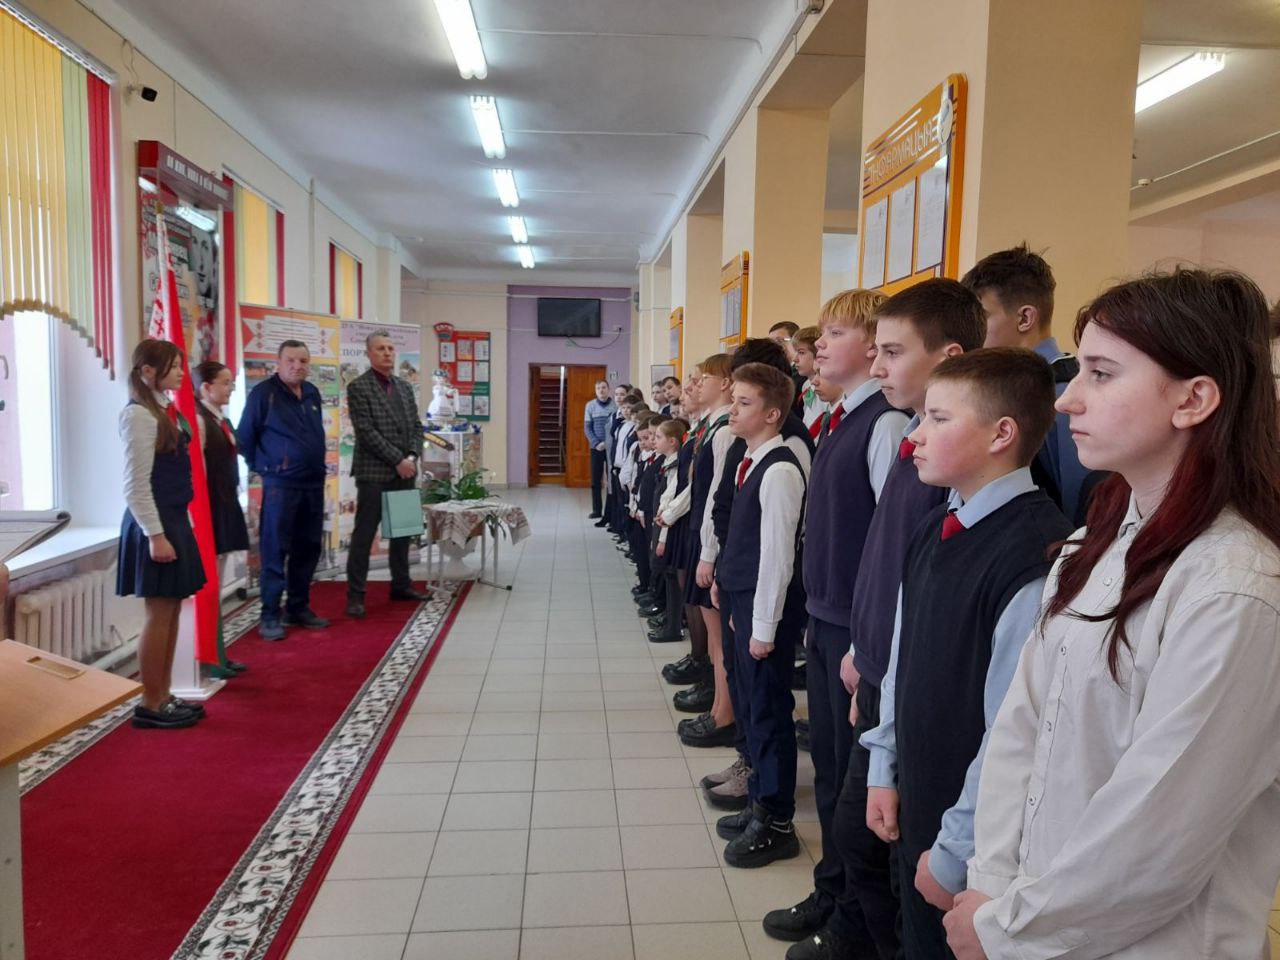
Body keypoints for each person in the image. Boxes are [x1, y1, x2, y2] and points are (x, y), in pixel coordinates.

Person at [942, 269, 1280, 960]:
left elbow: (1157, 837)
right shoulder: (1094, 543)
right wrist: (992, 885)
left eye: (1101, 373)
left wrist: (1008, 929)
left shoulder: (1235, 589)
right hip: (1033, 917)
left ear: (1193, 399)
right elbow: (1021, 728)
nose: (1068, 399)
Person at [775, 278, 986, 960]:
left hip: (878, 649)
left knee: (869, 820)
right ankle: (838, 905)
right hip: (855, 634)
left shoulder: (894, 426)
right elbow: (882, 550)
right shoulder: (887, 424)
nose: (873, 361)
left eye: (888, 350)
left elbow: (899, 560)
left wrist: (870, 649)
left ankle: (852, 927)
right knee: (842, 789)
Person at [862, 349, 1071, 959]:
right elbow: (903, 657)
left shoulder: (1034, 558)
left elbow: (1011, 731)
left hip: (971, 837)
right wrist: (883, 764)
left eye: (938, 419)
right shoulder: (935, 526)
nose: (914, 438)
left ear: (1001, 434)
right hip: (918, 796)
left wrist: (955, 850)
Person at [798, 289, 909, 947]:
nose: (819, 344)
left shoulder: (885, 424)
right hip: (826, 613)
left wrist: (863, 637)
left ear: (871, 348)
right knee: (830, 761)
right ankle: (829, 886)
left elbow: (886, 540)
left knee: (847, 771)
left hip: (852, 624)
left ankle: (848, 911)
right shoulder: (842, 417)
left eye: (834, 332)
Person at [712, 362, 807, 868]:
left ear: (772, 414)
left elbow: (777, 557)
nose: (733, 409)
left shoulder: (781, 470)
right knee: (750, 705)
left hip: (765, 608)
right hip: (744, 600)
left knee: (769, 711)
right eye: (734, 400)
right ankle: (757, 801)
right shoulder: (751, 461)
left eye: (744, 402)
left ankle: (776, 819)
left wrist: (764, 627)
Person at [961, 243, 1095, 525]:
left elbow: (1081, 507)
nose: (971, 330)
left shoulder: (1062, 396)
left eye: (981, 317)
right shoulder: (999, 389)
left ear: (1025, 318)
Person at [117, 339, 208, 729]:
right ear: (148, 371)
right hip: (154, 523)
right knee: (158, 614)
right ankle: (151, 702)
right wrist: (155, 535)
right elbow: (135, 486)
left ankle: (165, 694)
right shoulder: (138, 415)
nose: (181, 373)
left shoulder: (164, 409)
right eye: (174, 367)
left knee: (171, 611)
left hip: (173, 518)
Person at [237, 339, 329, 640]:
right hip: (281, 486)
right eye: (290, 360)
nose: (297, 366)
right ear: (278, 363)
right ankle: (269, 615)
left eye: (303, 361)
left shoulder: (312, 392)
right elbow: (244, 439)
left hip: (313, 483)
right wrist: (266, 467)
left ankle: (297, 608)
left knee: (308, 547)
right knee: (275, 550)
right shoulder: (264, 394)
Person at [344, 331, 428, 619]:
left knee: (402, 532)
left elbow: (416, 427)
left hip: (405, 471)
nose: (387, 353)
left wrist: (412, 457)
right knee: (364, 535)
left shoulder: (404, 387)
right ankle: (356, 596)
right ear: (368, 354)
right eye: (380, 348)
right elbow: (366, 432)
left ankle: (401, 585)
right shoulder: (359, 387)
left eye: (391, 348)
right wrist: (397, 460)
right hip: (374, 474)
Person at [193, 360, 249, 678]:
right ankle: (209, 656)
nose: (230, 388)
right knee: (209, 582)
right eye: (225, 383)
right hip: (211, 507)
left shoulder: (220, 418)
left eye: (231, 383)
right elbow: (198, 472)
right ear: (206, 387)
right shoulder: (200, 421)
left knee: (218, 578)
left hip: (226, 501)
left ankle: (218, 653)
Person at [649, 417, 688, 643]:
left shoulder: (677, 465)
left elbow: (671, 500)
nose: (654, 440)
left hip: (669, 529)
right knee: (666, 575)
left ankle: (674, 626)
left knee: (672, 577)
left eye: (658, 437)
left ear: (672, 441)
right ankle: (669, 618)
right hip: (662, 525)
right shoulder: (668, 462)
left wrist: (662, 538)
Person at [583, 379, 615, 519]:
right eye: (598, 388)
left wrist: (608, 443)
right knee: (596, 480)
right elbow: (587, 428)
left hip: (611, 448)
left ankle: (610, 511)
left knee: (611, 480)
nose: (601, 390)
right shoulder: (590, 406)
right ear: (595, 391)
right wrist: (596, 443)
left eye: (603, 387)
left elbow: (616, 427)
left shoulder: (615, 406)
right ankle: (596, 510)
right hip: (596, 448)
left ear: (608, 389)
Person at [793, 325, 828, 427]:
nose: (795, 359)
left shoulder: (827, 388)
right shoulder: (806, 385)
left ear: (818, 353)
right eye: (796, 352)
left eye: (801, 352)